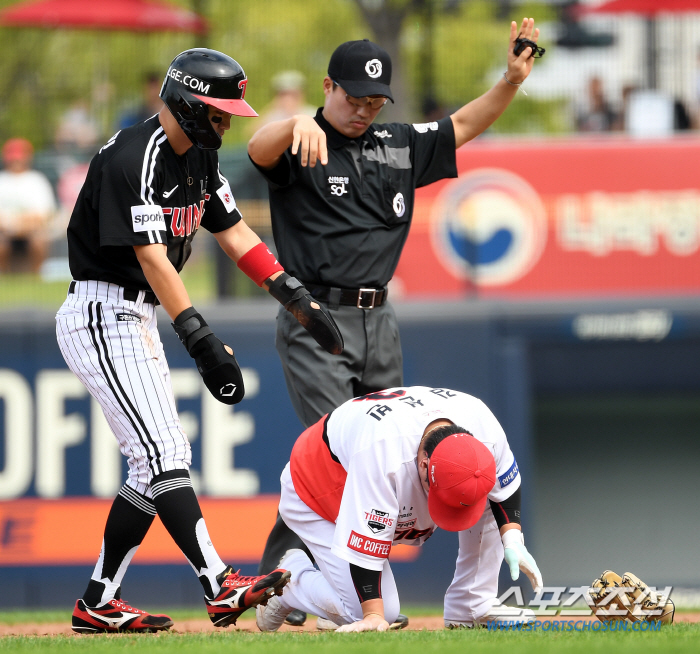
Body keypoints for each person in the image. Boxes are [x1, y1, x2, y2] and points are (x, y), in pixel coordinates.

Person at [248, 18, 541, 627]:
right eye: (353, 98)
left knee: (373, 450)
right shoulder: (304, 141)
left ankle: (293, 580)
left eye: (374, 101)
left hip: (377, 315)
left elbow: (461, 126)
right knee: (339, 450)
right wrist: (294, 121)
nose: (363, 109)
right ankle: (306, 580)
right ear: (328, 87)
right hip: (316, 315)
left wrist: (509, 82)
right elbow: (257, 151)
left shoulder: (397, 143)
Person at [56, 48, 341, 634]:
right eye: (217, 113)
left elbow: (234, 233)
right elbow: (152, 258)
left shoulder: (199, 159)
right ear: (185, 104)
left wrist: (293, 294)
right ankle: (218, 582)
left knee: (152, 466)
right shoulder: (134, 156)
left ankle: (98, 601)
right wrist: (199, 337)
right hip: (100, 311)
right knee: (164, 456)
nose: (226, 123)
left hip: (134, 318)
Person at [255, 385, 542, 632]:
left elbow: (505, 488)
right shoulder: (384, 455)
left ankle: (472, 605)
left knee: (484, 502)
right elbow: (365, 546)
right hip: (317, 487)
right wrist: (372, 616)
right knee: (377, 611)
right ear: (424, 464)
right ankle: (290, 580)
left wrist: (513, 539)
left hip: (362, 462)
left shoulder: (484, 426)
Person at [0, 138, 56, 273]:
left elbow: (43, 215)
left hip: (31, 230)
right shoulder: (2, 180)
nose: (16, 162)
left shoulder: (36, 180)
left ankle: (37, 276)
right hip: (4, 231)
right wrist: (10, 225)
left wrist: (17, 225)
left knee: (39, 240)